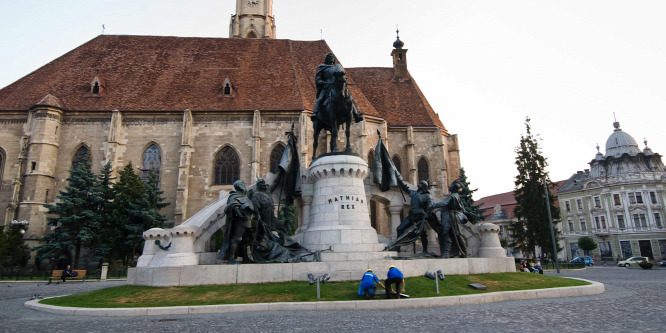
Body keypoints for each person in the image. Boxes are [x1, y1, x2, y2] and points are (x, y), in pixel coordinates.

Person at [310, 52, 363, 123]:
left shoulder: (336, 68)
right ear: (327, 59)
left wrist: (343, 82)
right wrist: (322, 82)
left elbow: (343, 77)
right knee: (320, 99)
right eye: (330, 57)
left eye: (332, 57)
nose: (331, 58)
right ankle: (315, 113)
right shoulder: (322, 67)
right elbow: (318, 79)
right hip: (326, 87)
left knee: (349, 98)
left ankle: (356, 115)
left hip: (336, 87)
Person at [217, 180, 256, 264]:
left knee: (246, 240)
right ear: (238, 186)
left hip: (247, 220)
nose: (244, 185)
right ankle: (231, 258)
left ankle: (245, 258)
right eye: (242, 184)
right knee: (237, 238)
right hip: (240, 220)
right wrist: (240, 215)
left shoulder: (244, 196)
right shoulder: (234, 196)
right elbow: (233, 205)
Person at [430, 180, 469, 258]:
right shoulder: (456, 195)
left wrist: (432, 205)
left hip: (448, 216)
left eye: (450, 185)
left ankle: (447, 253)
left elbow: (444, 203)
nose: (449, 186)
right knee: (455, 234)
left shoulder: (452, 196)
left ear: (454, 188)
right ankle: (463, 252)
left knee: (446, 233)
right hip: (451, 216)